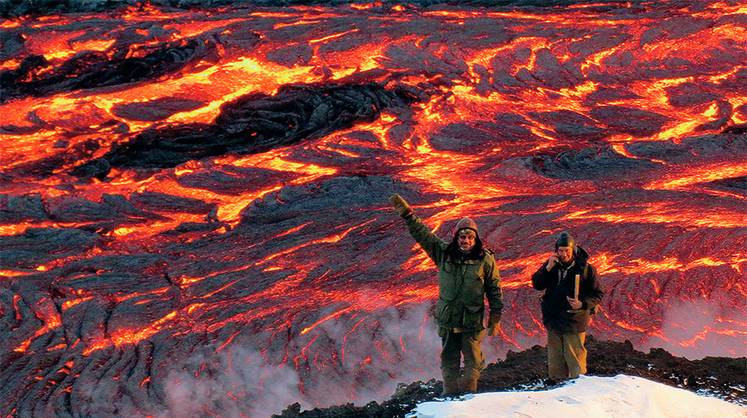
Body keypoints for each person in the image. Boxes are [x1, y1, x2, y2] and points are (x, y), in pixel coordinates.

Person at [389, 194, 503, 396]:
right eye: (462, 236)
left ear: (475, 239)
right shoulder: (444, 253)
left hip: (471, 320)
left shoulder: (485, 260)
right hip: (448, 319)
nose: (465, 240)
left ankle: (469, 397)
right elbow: (423, 235)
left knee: (473, 361)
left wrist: (495, 317)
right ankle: (449, 397)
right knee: (449, 361)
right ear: (456, 237)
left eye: (469, 237)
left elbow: (494, 288)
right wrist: (408, 215)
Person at [531, 231, 603, 381]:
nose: (563, 254)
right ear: (556, 251)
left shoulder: (586, 269)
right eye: (560, 251)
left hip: (574, 322)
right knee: (555, 362)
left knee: (575, 360)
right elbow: (537, 284)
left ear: (573, 250)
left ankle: (578, 390)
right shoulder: (552, 265)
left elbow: (598, 294)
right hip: (553, 321)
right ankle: (557, 391)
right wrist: (547, 268)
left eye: (566, 251)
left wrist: (582, 304)